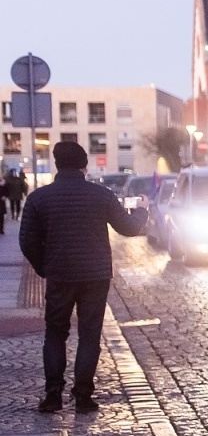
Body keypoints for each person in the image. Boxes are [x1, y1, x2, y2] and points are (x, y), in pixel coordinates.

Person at [18, 142, 147, 413]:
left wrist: (45, 267)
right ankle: (83, 396)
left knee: (55, 333)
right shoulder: (101, 195)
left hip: (60, 275)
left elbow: (27, 241)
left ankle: (53, 394)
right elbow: (128, 228)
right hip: (95, 276)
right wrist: (142, 211)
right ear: (84, 165)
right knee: (90, 334)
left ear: (57, 164)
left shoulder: (39, 198)